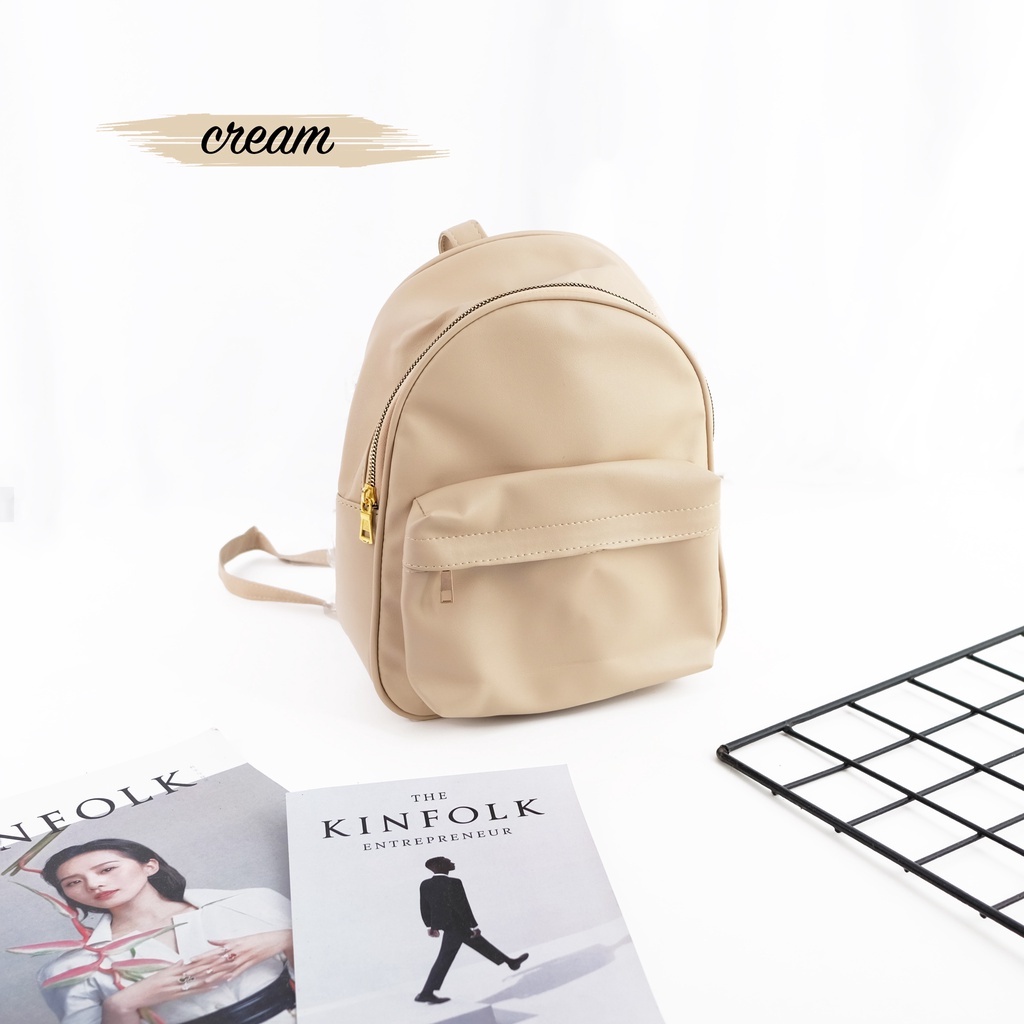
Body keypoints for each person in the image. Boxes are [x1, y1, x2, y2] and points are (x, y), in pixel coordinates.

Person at [36, 838, 294, 1024]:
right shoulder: (69, 969)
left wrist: (287, 939)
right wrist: (120, 1006)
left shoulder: (251, 903)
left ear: (150, 866)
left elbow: (318, 971)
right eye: (73, 882)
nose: (94, 884)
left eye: (107, 869)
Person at [415, 856, 528, 1005]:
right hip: (457, 926)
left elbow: (424, 906)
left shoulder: (425, 884)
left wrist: (430, 926)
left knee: (480, 944)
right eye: (448, 861)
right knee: (444, 958)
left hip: (450, 926)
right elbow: (462, 906)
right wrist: (474, 926)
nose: (452, 862)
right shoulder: (454, 882)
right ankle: (426, 993)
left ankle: (510, 962)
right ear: (441, 866)